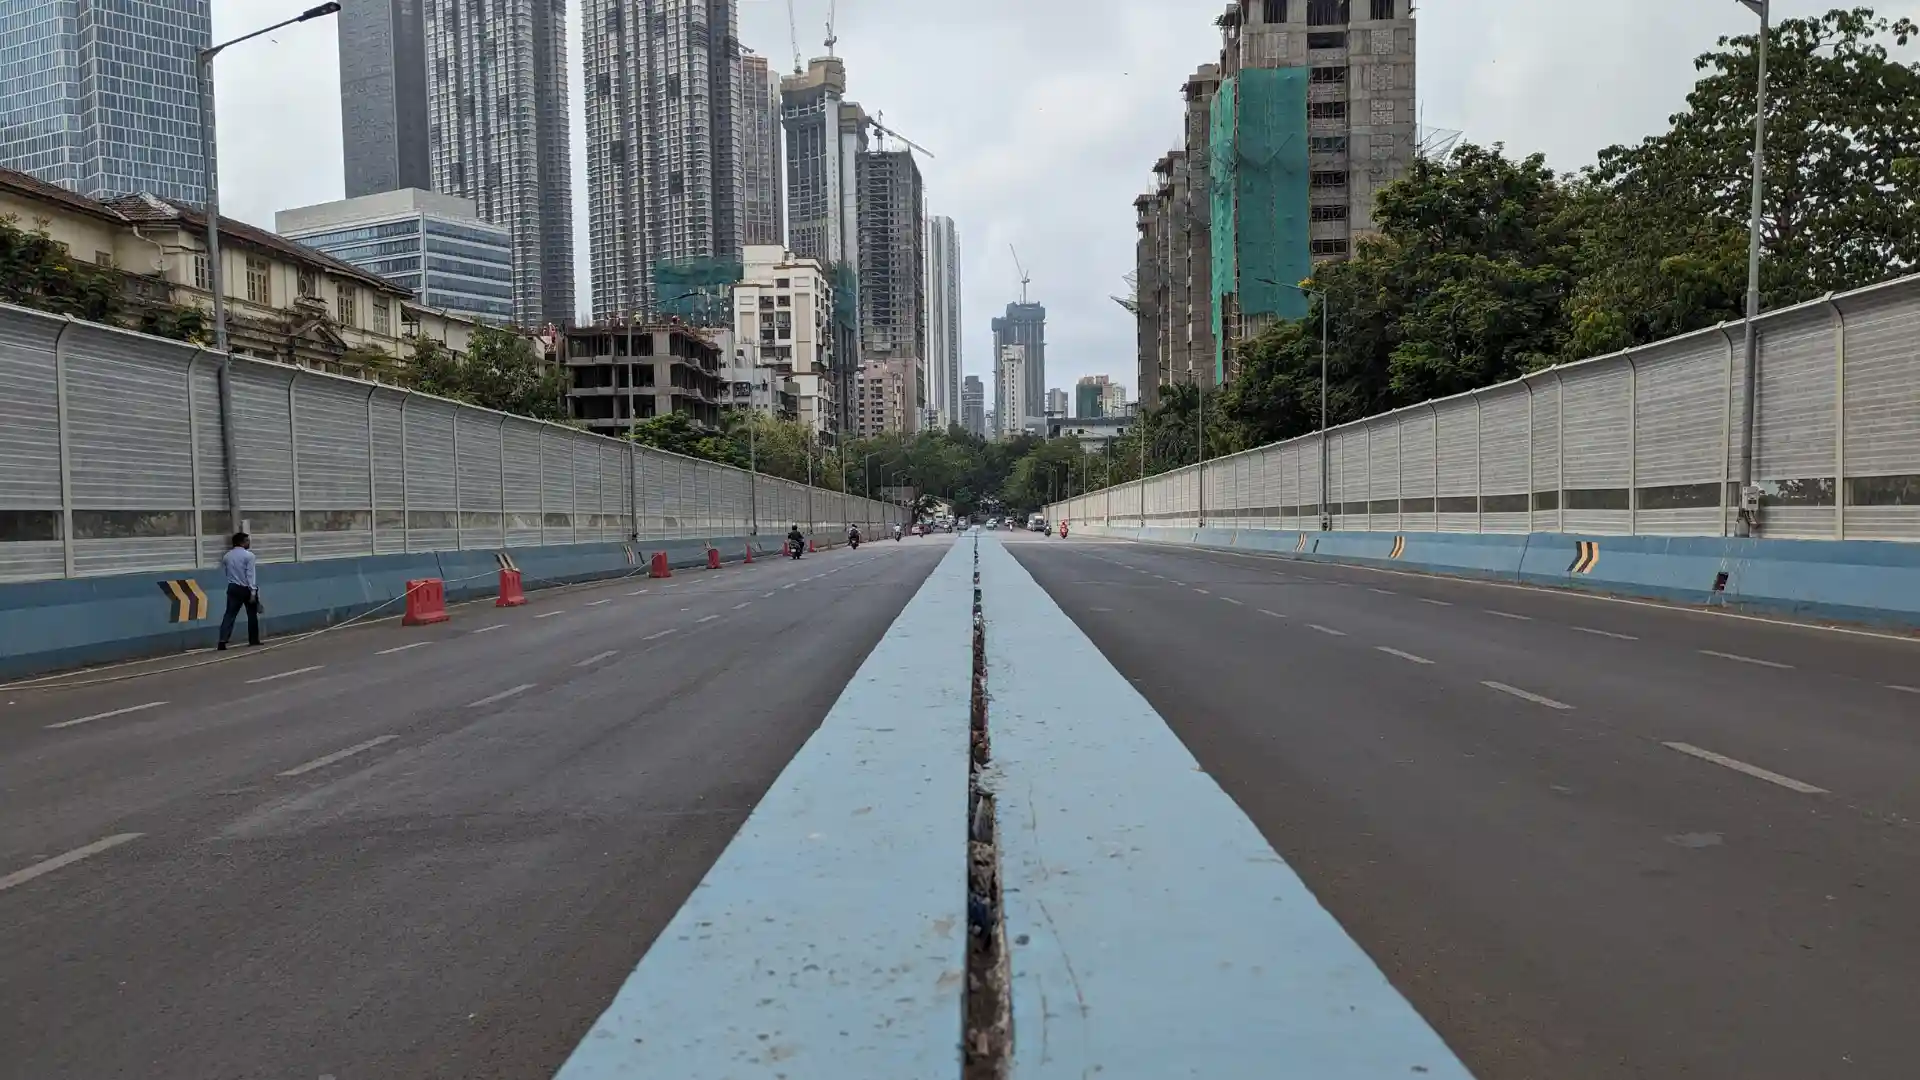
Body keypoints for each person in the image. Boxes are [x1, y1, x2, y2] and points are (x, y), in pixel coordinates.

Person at [218, 531, 260, 650]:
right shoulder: (249, 556)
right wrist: (253, 592)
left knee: (229, 614)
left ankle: (222, 640)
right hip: (246, 588)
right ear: (242, 542)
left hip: (233, 587)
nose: (249, 543)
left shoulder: (227, 556)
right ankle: (254, 639)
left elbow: (227, 573)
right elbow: (250, 575)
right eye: (247, 541)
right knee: (252, 614)